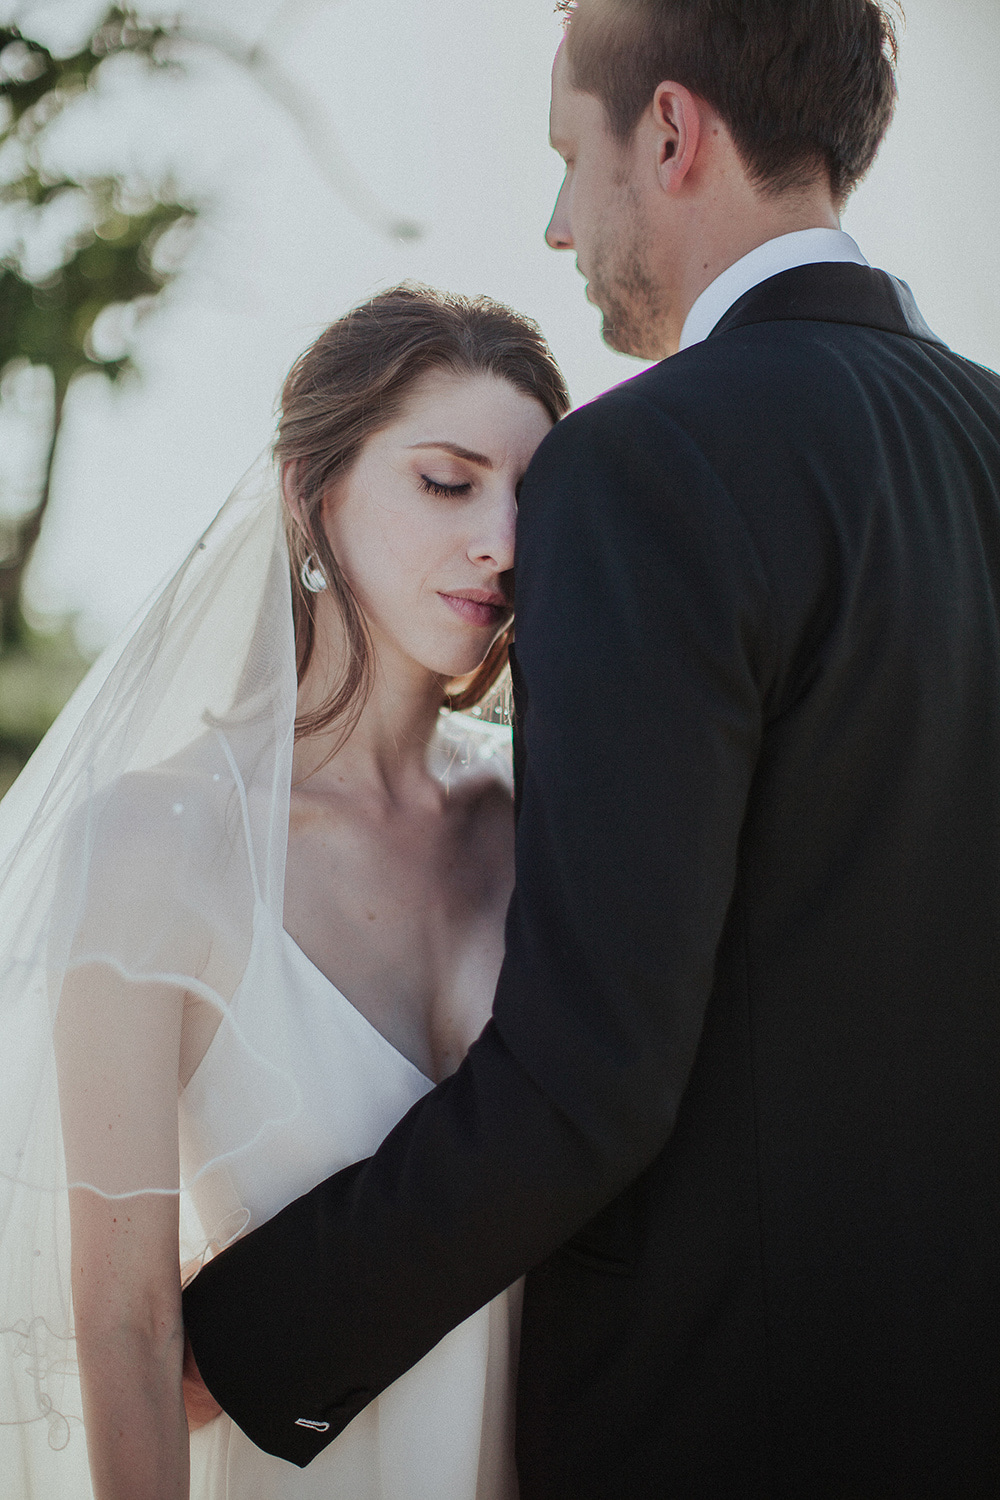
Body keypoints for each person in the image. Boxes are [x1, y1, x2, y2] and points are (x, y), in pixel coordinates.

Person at [181, 2, 1000, 1497]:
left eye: (570, 156)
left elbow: (593, 1075)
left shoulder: (644, 464)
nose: (558, 228)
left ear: (671, 135)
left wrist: (236, 1340)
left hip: (714, 1425)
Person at [0, 284, 567, 1500]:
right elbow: (124, 1328)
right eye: (446, 480)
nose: (504, 541)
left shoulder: (546, 825)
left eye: (532, 494)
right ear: (315, 491)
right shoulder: (158, 842)